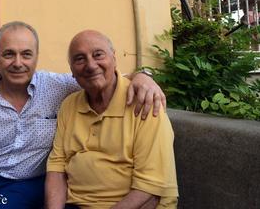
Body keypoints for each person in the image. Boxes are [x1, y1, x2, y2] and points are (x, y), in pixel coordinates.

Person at [0, 22, 166, 209]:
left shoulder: (59, 86)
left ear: (36, 57)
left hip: (26, 181)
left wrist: (144, 77)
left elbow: (98, 76)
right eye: (9, 54)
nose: (18, 62)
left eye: (26, 54)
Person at [45, 30, 178, 209]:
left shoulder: (144, 102)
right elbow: (57, 166)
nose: (91, 65)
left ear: (114, 58)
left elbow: (150, 189)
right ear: (72, 71)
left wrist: (143, 75)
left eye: (98, 54)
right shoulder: (69, 105)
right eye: (79, 59)